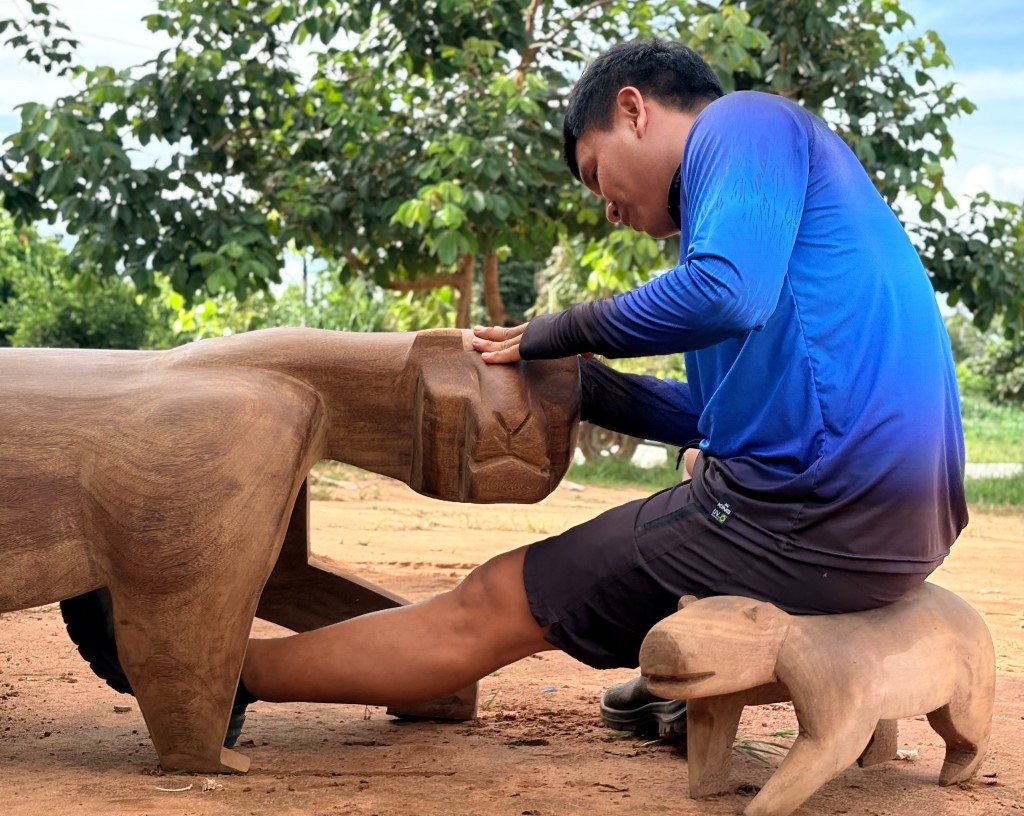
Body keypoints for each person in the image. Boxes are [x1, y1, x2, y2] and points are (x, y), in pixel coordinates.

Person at [234, 37, 967, 743]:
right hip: (897, 525)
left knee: (494, 600)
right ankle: (668, 690)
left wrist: (559, 330)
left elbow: (728, 294)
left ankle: (227, 671)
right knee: (688, 478)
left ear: (633, 110)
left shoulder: (744, 122)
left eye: (594, 173)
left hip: (812, 513)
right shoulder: (766, 221)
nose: (607, 208)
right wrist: (587, 387)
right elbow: (714, 422)